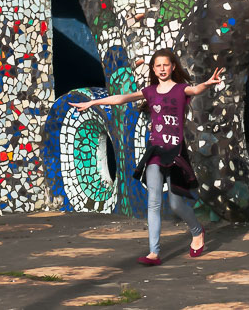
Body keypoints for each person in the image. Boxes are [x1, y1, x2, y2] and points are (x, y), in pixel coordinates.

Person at [74, 49, 223, 265]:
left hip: (176, 153)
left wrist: (207, 84)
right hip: (155, 152)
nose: (162, 69)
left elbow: (196, 89)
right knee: (153, 202)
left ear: (173, 67)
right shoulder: (150, 91)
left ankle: (197, 231)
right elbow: (122, 98)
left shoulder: (181, 89)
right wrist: (93, 103)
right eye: (158, 66)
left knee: (175, 204)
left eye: (166, 65)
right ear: (153, 69)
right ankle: (154, 252)